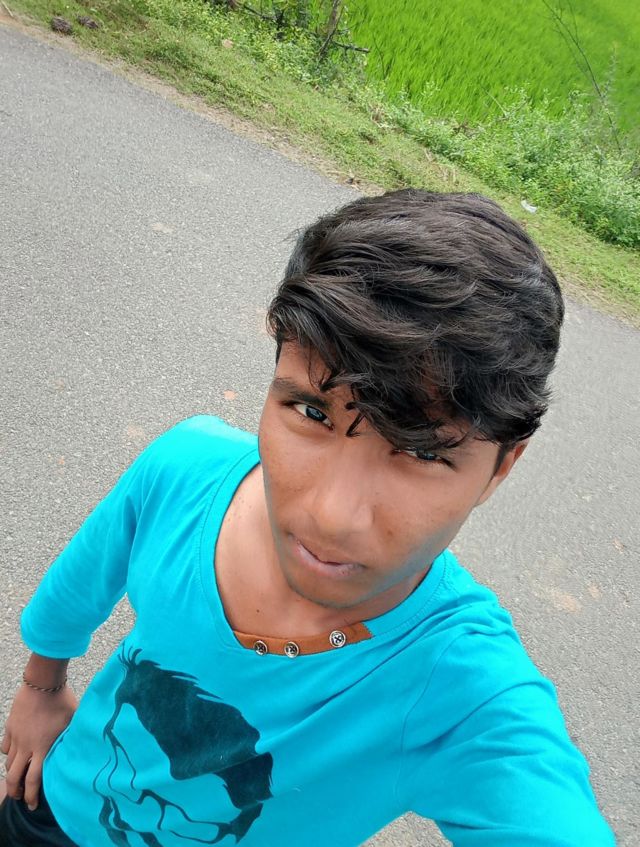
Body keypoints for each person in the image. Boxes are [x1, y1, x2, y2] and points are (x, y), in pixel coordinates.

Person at [0, 190, 615, 847]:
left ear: (501, 467)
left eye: (422, 451)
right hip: (49, 806)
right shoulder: (185, 471)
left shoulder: (462, 690)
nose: (331, 516)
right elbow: (82, 579)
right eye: (312, 412)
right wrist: (41, 686)